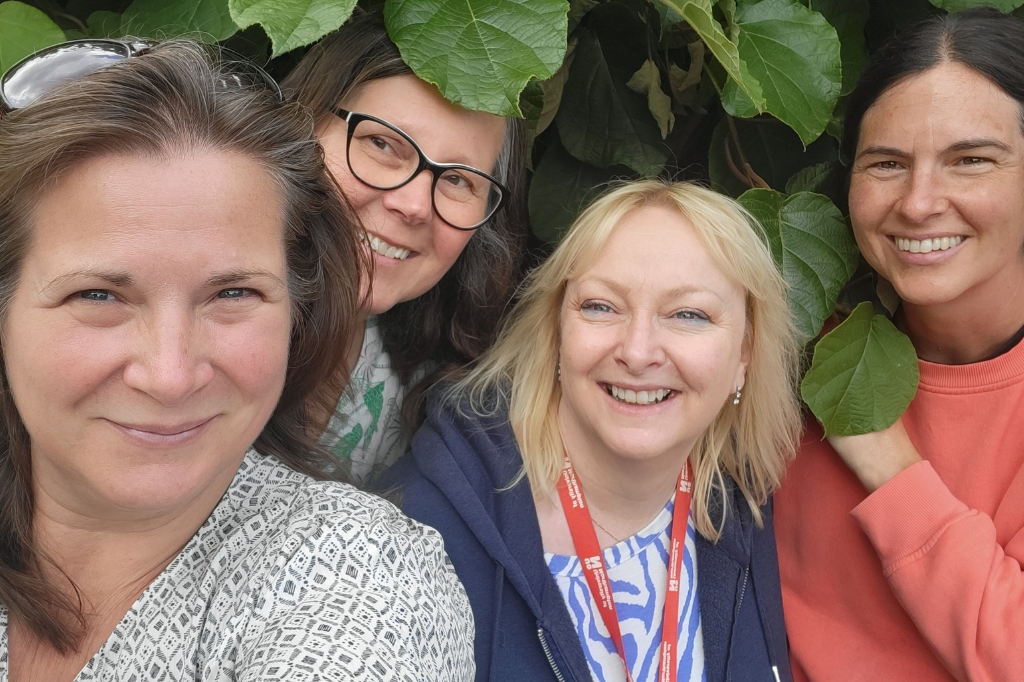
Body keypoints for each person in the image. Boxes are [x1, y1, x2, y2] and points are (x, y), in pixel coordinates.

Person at [0, 39, 474, 680]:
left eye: (232, 293)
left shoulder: (352, 574)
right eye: (99, 295)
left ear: (299, 310)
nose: (170, 375)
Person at [383, 180, 802, 682]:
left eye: (689, 314)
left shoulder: (743, 506)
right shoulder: (417, 531)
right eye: (601, 306)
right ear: (557, 330)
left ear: (744, 355)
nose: (638, 350)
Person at [775, 8, 1024, 681]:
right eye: (886, 163)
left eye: (969, 161)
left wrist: (890, 462)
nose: (917, 203)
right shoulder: (797, 348)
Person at [282, 8, 529, 484]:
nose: (415, 205)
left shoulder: (423, 394)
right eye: (383, 144)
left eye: (458, 179)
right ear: (297, 125)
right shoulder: (181, 336)